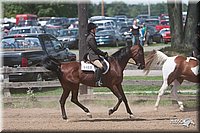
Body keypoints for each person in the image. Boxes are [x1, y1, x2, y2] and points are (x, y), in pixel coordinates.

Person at [85, 22, 108, 87]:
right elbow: (95, 49)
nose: (96, 30)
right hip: (92, 56)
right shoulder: (90, 38)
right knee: (101, 66)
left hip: (95, 55)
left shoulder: (92, 36)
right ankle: (97, 81)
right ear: (92, 29)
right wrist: (103, 54)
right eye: (95, 29)